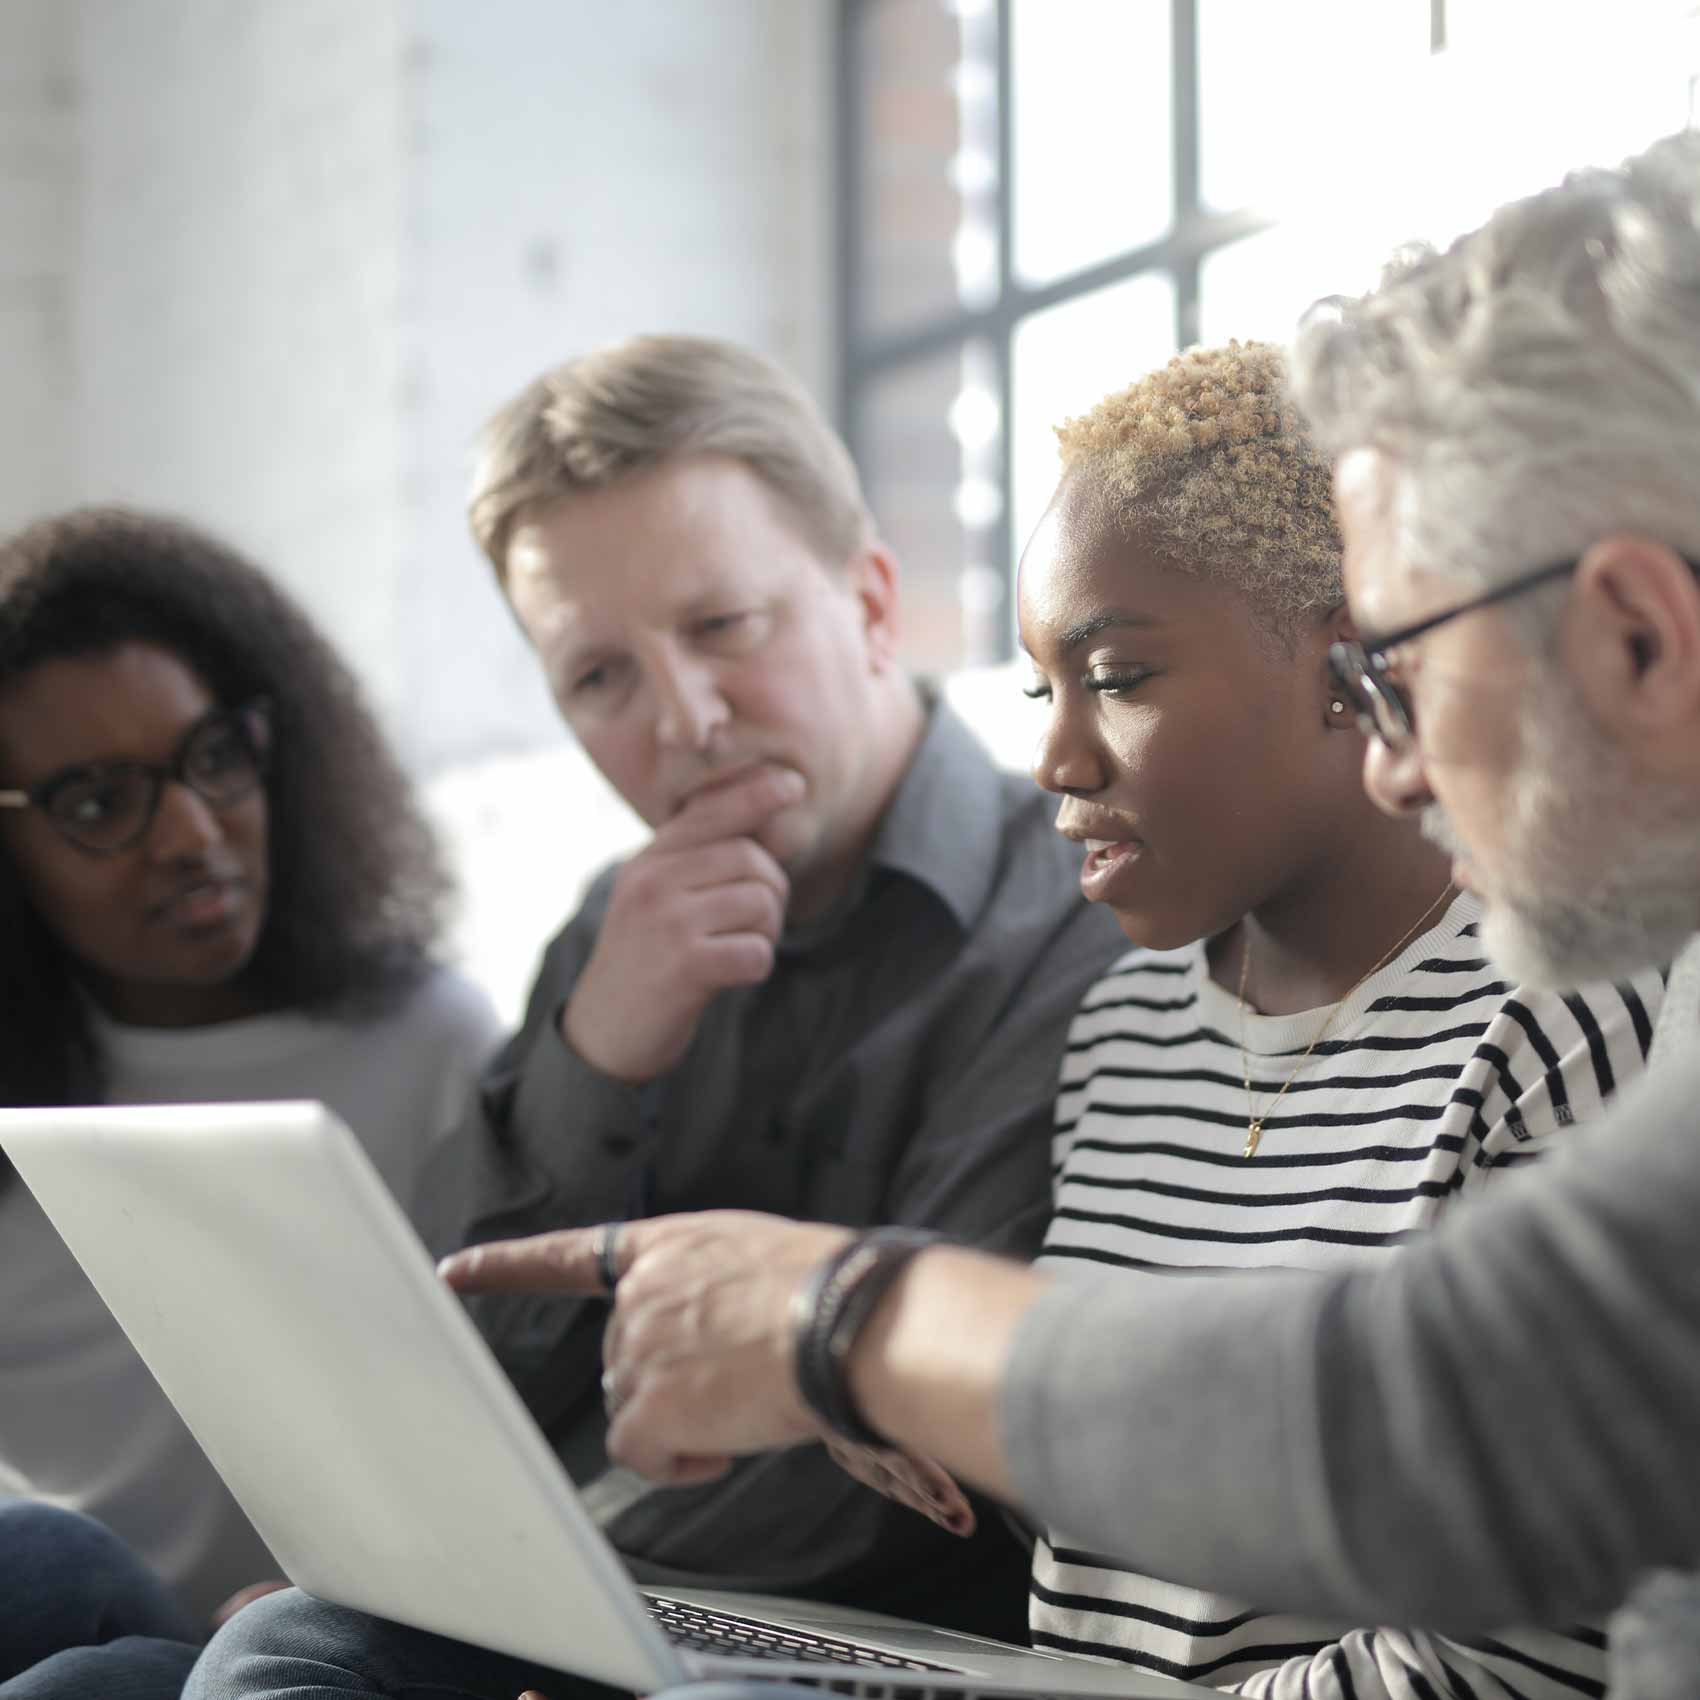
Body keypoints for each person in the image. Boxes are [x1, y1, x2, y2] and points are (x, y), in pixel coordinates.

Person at [416, 131, 1700, 1700]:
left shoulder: (1583, 1007)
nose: (1395, 754)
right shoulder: (1138, 1012)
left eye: (1401, 658)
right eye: (598, 676)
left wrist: (845, 1322)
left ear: (1642, 633)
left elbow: (1440, 1420)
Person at [177, 331, 1128, 1693]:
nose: (683, 721)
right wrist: (594, 1058)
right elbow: (441, 1384)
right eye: (599, 677)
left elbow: (907, 1468)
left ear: (869, 603)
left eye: (722, 627)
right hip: (574, 1603)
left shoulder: (1072, 922)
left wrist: (497, 1579)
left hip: (841, 1643)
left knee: (279, 1658)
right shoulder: (608, 935)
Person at [0, 508, 502, 1687]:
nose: (187, 831)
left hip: (334, 1632)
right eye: (94, 802)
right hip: (81, 1591)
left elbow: (513, 1426)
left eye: (215, 755)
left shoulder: (430, 1042)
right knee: (41, 1557)